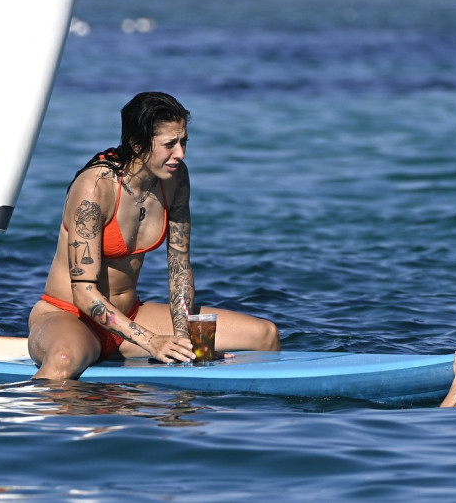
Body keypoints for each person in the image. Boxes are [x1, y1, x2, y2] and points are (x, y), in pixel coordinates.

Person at [28, 92, 280, 380]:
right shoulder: (95, 188)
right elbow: (83, 292)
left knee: (265, 335)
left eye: (183, 141)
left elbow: (180, 269)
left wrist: (186, 343)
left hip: (131, 316)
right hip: (71, 316)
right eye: (169, 144)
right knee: (63, 360)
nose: (180, 154)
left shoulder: (175, 179)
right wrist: (151, 342)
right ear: (137, 145)